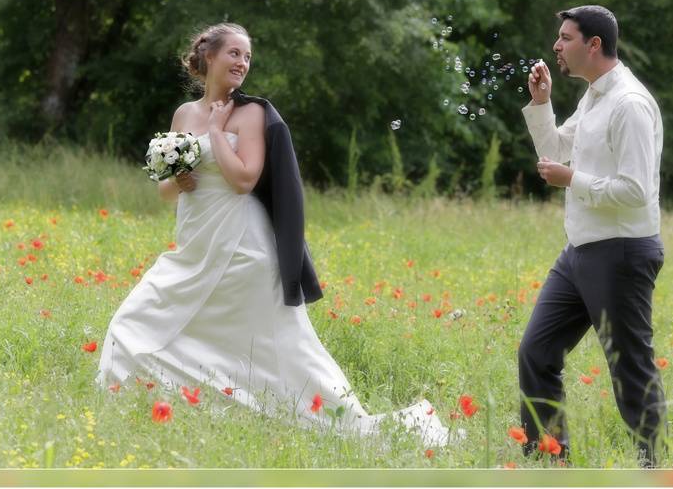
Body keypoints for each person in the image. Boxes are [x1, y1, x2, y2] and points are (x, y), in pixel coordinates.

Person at [96, 23, 449, 447]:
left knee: (277, 348)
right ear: (209, 56)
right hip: (195, 243)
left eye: (247, 57)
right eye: (234, 54)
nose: (242, 63)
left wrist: (214, 133)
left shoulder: (252, 114)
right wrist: (180, 177)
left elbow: (244, 179)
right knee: (135, 321)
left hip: (242, 245)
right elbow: (165, 190)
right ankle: (152, 400)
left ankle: (339, 423)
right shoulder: (183, 114)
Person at [517, 5, 666, 467]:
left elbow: (636, 191)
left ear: (594, 45)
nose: (556, 46)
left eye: (565, 38)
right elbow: (556, 152)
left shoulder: (629, 104)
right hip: (579, 252)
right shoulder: (593, 97)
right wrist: (542, 104)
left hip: (621, 254)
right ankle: (549, 461)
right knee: (537, 352)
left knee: (630, 370)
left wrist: (572, 181)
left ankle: (653, 468)